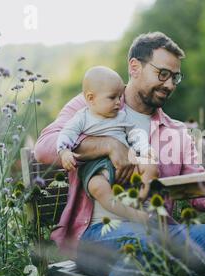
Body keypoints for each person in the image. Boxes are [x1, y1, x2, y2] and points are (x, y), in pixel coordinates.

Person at [34, 31, 205, 276]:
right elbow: (44, 147)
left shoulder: (176, 131)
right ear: (135, 67)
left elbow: (198, 192)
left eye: (175, 77)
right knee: (146, 249)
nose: (170, 84)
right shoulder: (91, 106)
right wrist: (107, 144)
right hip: (97, 235)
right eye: (163, 74)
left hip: (158, 231)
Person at [57, 66, 158, 222]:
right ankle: (132, 215)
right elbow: (67, 134)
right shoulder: (82, 117)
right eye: (112, 98)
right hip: (97, 168)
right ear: (91, 98)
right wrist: (64, 152)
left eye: (120, 97)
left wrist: (144, 149)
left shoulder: (121, 116)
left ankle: (138, 201)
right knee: (97, 187)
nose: (119, 102)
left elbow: (135, 133)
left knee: (151, 167)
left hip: (126, 163)